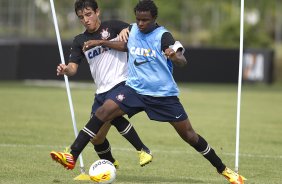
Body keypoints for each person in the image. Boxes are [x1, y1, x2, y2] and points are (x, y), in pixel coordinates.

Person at [52, 0, 246, 183]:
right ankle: (72, 155)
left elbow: (182, 60)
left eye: (145, 20)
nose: (141, 23)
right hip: (135, 89)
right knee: (103, 111)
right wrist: (102, 43)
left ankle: (224, 170)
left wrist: (173, 55)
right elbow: (124, 46)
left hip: (163, 95)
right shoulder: (133, 30)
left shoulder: (163, 35)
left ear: (154, 19)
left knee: (190, 136)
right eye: (137, 19)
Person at [50, 0, 153, 170]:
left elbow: (138, 30)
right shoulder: (79, 40)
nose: (86, 19)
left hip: (122, 83)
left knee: (107, 113)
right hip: (101, 91)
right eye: (81, 17)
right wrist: (65, 69)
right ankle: (112, 163)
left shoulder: (112, 26)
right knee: (96, 137)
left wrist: (129, 29)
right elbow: (73, 69)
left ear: (97, 12)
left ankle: (72, 154)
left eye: (88, 14)